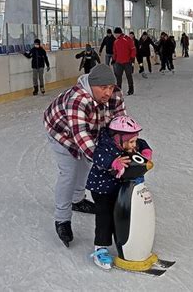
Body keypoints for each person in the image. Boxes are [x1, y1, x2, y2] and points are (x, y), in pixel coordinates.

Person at [43, 64, 127, 247]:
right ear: (91, 85)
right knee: (70, 172)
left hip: (89, 130)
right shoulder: (78, 99)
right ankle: (62, 219)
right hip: (61, 132)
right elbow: (81, 138)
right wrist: (109, 160)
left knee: (87, 166)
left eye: (111, 87)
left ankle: (77, 200)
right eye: (103, 88)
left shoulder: (115, 95)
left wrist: (127, 147)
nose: (108, 92)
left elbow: (120, 125)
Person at [86, 115, 152, 270]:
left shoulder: (130, 143)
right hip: (102, 190)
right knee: (106, 217)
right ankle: (100, 248)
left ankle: (127, 242)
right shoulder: (106, 147)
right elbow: (98, 157)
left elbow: (142, 144)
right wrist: (114, 162)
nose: (134, 145)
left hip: (120, 188)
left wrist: (146, 152)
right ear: (117, 138)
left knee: (124, 215)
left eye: (134, 140)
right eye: (131, 141)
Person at [112, 27, 136, 96]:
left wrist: (132, 57)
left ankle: (131, 89)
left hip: (127, 61)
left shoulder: (127, 39)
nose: (115, 35)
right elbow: (115, 51)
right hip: (119, 62)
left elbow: (133, 49)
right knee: (118, 76)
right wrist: (114, 59)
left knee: (129, 75)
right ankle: (119, 90)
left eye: (116, 34)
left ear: (119, 33)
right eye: (115, 34)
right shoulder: (115, 41)